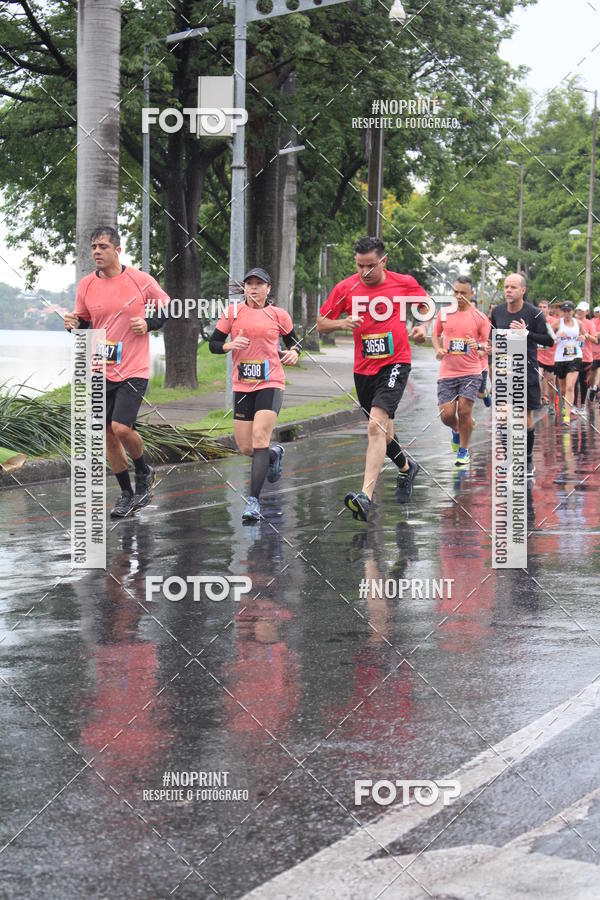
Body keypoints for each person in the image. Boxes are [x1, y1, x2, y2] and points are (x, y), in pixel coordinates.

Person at [317, 236, 427, 522]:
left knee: (375, 427)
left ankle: (365, 496)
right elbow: (321, 323)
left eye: (370, 266)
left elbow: (426, 307)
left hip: (395, 363)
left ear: (383, 261)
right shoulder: (346, 287)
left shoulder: (403, 283)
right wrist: (341, 322)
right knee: (384, 431)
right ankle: (406, 467)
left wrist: (423, 326)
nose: (365, 272)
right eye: (360, 265)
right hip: (363, 369)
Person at [64, 227, 170, 518]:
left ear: (117, 251)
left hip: (134, 368)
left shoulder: (140, 280)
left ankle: (144, 470)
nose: (96, 252)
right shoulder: (86, 285)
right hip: (99, 368)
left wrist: (149, 323)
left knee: (122, 428)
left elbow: (166, 308)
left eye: (102, 247)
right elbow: (86, 325)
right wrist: (74, 324)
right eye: (93, 247)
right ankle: (126, 494)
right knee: (107, 434)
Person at [208, 268, 301, 522]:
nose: (254, 288)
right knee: (246, 447)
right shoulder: (233, 313)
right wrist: (229, 345)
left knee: (260, 436)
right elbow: (213, 344)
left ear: (268, 289)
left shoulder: (278, 315)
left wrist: (294, 352)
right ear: (245, 288)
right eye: (250, 284)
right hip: (242, 385)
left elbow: (295, 342)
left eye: (259, 284)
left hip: (271, 382)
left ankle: (253, 502)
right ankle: (273, 454)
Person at [489, 273, 554, 477]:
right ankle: (509, 458)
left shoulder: (534, 313)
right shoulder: (497, 312)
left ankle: (526, 461)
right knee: (503, 417)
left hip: (526, 370)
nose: (508, 290)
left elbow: (549, 340)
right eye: (506, 286)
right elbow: (492, 336)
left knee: (524, 417)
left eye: (513, 287)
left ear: (523, 290)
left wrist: (527, 334)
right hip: (504, 370)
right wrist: (489, 351)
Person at [432, 276, 491, 468]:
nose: (458, 296)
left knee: (465, 410)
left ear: (471, 294)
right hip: (447, 372)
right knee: (447, 416)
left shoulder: (480, 318)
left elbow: (489, 346)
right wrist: (438, 349)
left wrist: (480, 346)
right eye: (455, 292)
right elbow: (435, 334)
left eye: (463, 293)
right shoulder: (444, 313)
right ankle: (457, 430)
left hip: (471, 372)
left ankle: (463, 451)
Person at [553, 300, 585, 426]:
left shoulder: (579, 323)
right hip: (560, 358)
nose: (566, 313)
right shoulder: (558, 323)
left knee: (571, 387)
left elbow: (584, 336)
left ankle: (566, 417)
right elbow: (548, 337)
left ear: (573, 311)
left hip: (575, 357)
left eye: (569, 311)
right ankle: (566, 407)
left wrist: (582, 339)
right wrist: (557, 335)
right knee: (564, 389)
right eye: (564, 311)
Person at [573, 302, 598, 418]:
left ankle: (582, 406)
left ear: (587, 312)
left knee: (582, 382)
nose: (579, 312)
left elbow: (595, 340)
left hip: (585, 357)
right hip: (572, 356)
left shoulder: (590, 323)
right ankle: (573, 405)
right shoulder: (571, 321)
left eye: (582, 311)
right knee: (573, 381)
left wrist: (585, 335)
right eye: (578, 310)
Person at [536, 300, 559, 410]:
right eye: (540, 306)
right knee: (538, 376)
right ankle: (540, 399)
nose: (542, 309)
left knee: (551, 382)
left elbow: (559, 336)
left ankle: (551, 406)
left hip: (552, 357)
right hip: (538, 355)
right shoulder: (534, 320)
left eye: (544, 307)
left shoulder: (555, 321)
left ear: (548, 309)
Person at [589, 305, 600, 402]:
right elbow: (593, 335)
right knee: (592, 373)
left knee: (599, 371)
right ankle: (592, 388)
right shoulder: (592, 322)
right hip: (593, 352)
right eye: (597, 312)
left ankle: (596, 388)